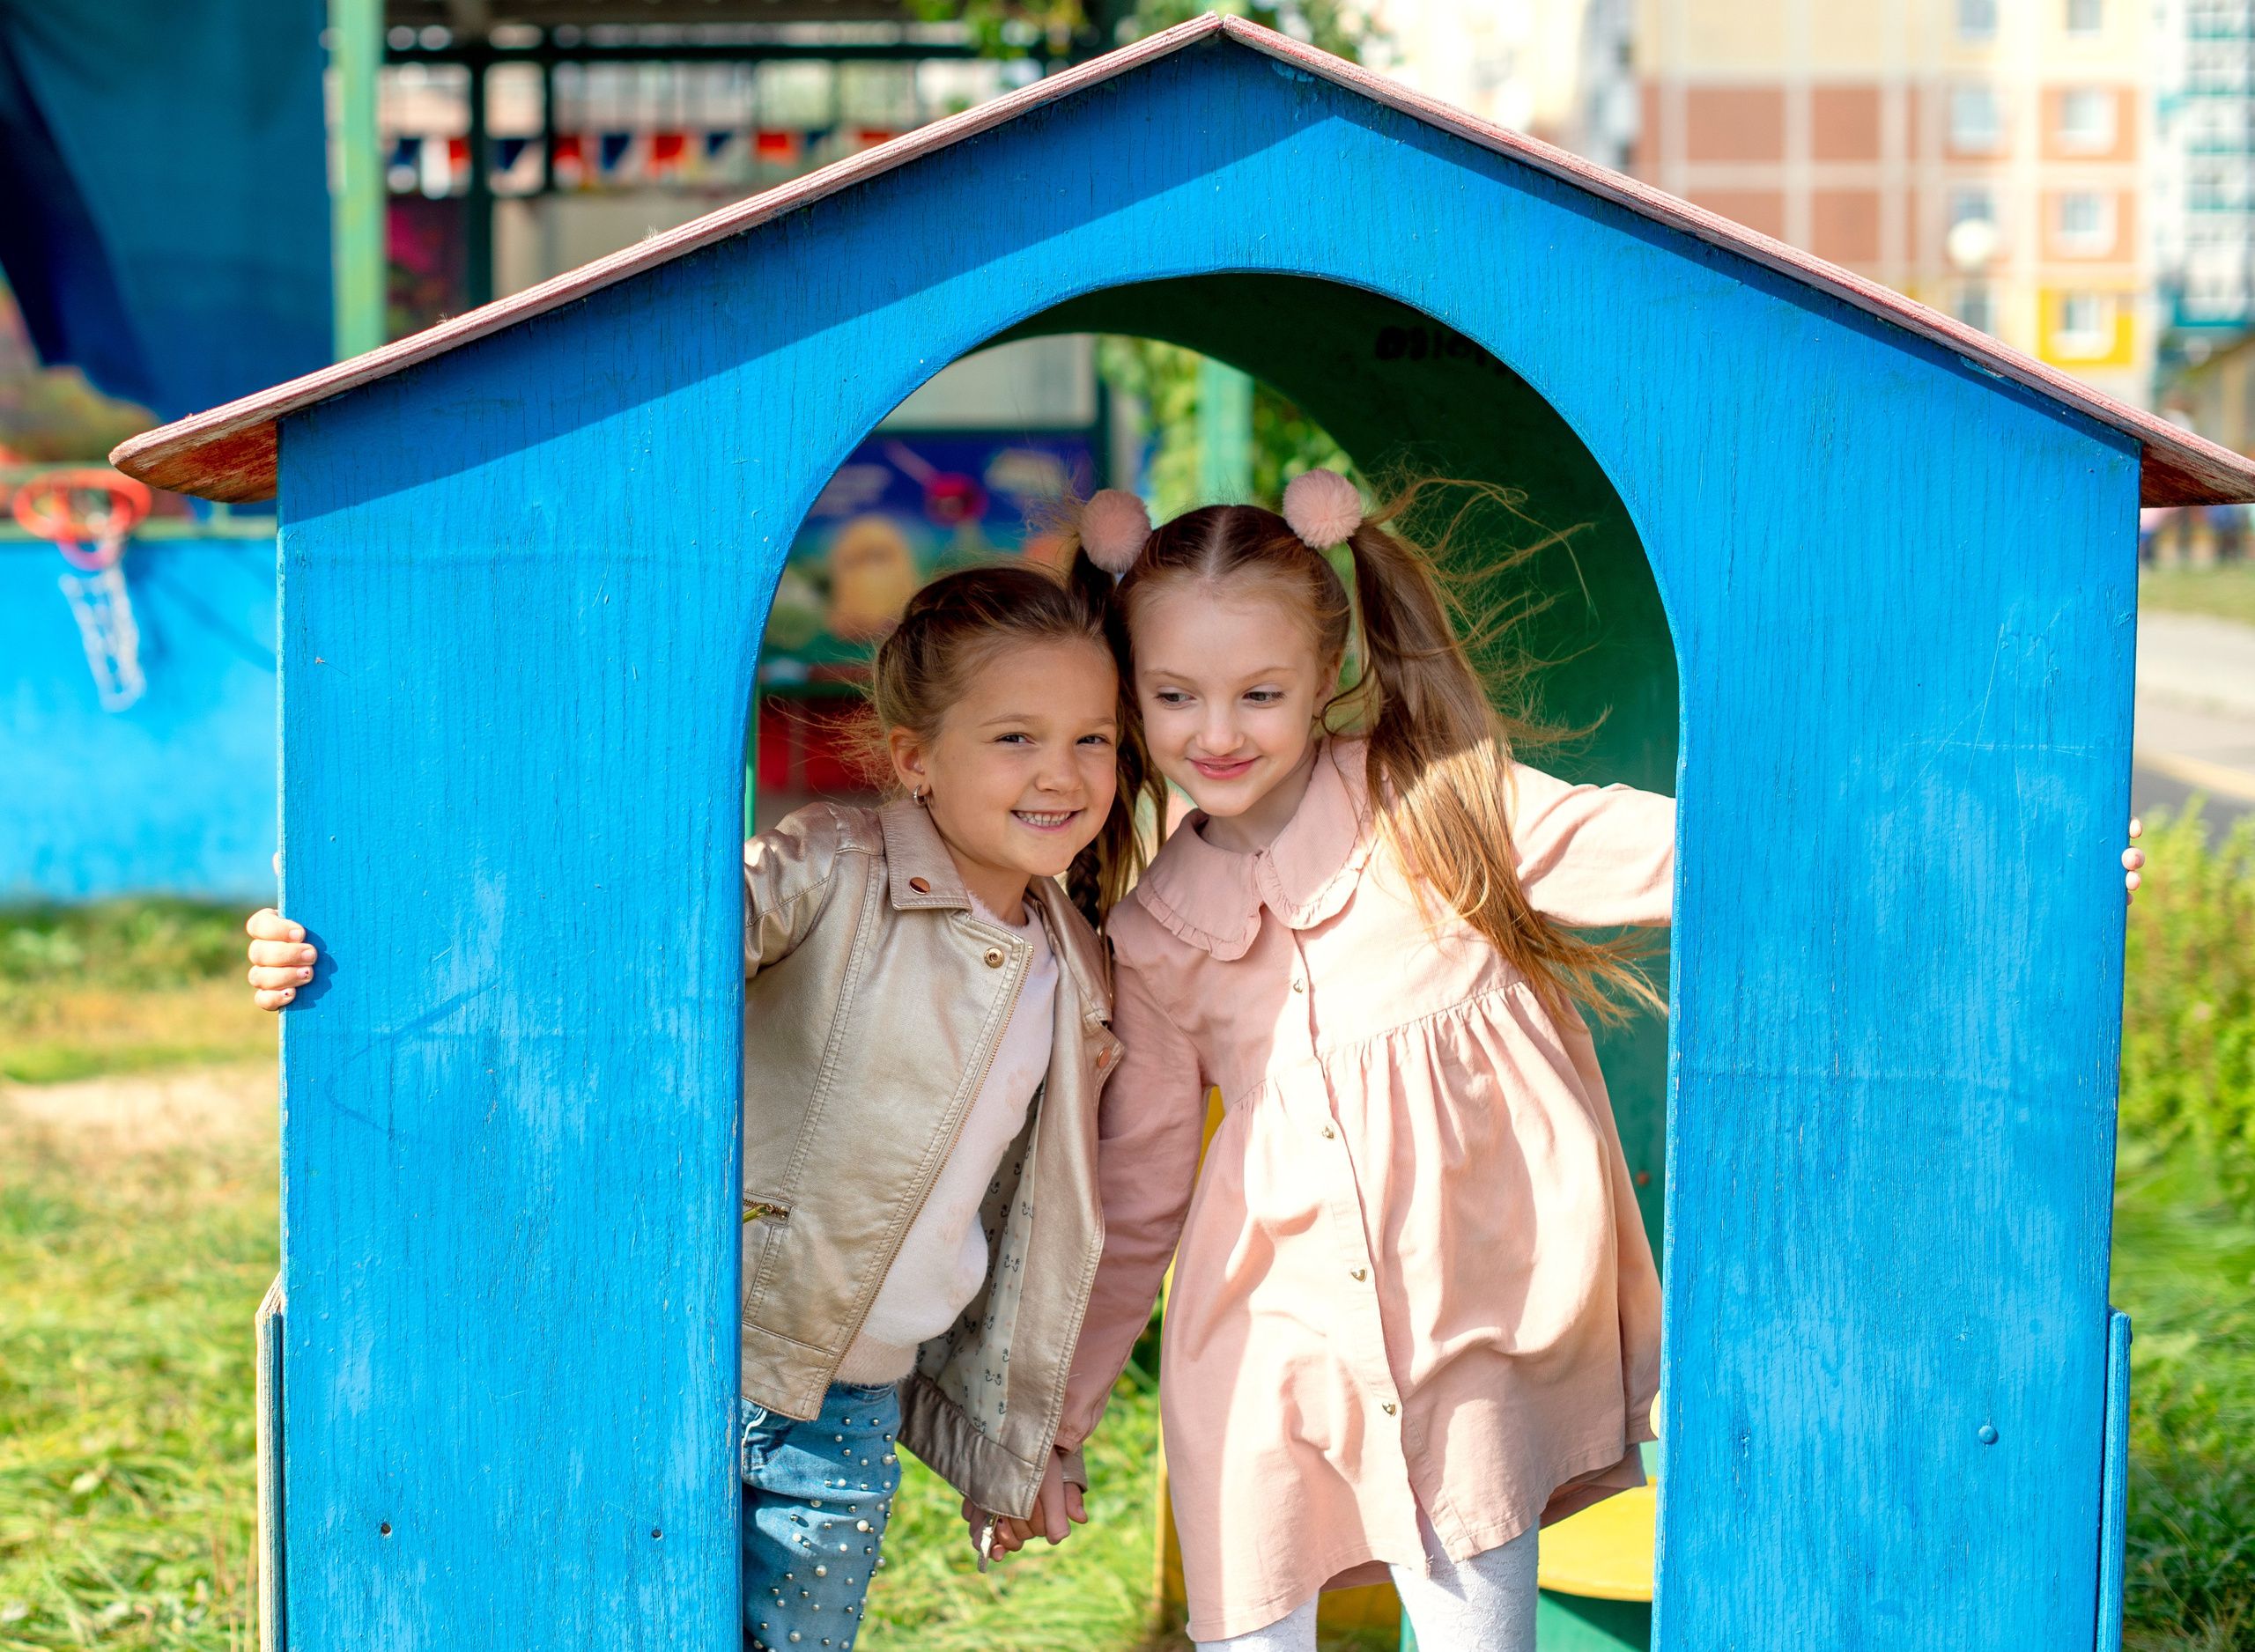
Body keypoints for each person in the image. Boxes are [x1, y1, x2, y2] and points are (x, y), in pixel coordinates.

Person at [1012, 472, 2144, 1651]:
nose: (1219, 732)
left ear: (1326, 680)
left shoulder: (1438, 806)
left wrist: (2014, 857)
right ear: (1128, 692)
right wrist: (1057, 1420)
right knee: (1249, 1618)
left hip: (1473, 1341)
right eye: (1176, 696)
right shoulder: (1151, 935)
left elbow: (1681, 856)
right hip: (1261, 1348)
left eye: (1260, 693)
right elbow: (1140, 1199)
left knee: (1473, 1632)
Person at [244, 560, 1144, 1652]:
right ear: (914, 758)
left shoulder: (1072, 961)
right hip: (690, 1358)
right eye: (1015, 737)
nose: (1061, 772)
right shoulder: (833, 870)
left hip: (853, 1405)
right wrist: (373, 934)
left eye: (1091, 738)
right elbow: (615, 950)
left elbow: (1030, 1230)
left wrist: (1018, 1443)